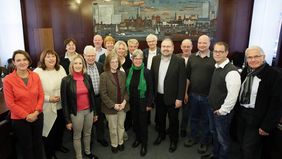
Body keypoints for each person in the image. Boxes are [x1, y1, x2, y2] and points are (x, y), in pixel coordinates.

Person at [236, 46, 282, 159]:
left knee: (249, 148)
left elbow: (276, 103)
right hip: (242, 115)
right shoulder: (246, 71)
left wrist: (267, 126)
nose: (253, 60)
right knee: (241, 143)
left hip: (258, 118)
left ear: (264, 57)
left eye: (256, 56)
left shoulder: (274, 75)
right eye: (249, 57)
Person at [202, 42, 241, 159]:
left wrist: (222, 111)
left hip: (221, 113)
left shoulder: (232, 72)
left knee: (223, 139)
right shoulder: (217, 66)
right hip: (213, 108)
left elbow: (232, 96)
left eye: (221, 51)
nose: (217, 54)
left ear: (226, 53)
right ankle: (216, 154)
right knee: (215, 134)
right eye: (215, 51)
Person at [3, 50, 44, 159]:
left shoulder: (35, 75)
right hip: (20, 119)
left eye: (24, 59)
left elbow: (41, 95)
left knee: (38, 144)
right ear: (14, 62)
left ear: (28, 61)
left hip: (38, 115)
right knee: (27, 147)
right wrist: (26, 116)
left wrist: (36, 112)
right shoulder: (8, 80)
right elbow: (10, 104)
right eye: (18, 60)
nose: (22, 62)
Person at [151, 38, 186, 153]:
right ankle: (161, 136)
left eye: (168, 46)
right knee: (160, 119)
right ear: (161, 48)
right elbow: (152, 78)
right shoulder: (155, 59)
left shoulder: (179, 61)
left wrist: (179, 98)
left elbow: (182, 81)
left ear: (172, 48)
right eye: (164, 46)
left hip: (173, 97)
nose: (166, 49)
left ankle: (174, 140)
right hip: (159, 96)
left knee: (173, 120)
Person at [61, 54, 98, 159]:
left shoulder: (87, 77)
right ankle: (79, 156)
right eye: (75, 63)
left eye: (80, 63)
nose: (78, 65)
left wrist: (94, 112)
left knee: (88, 133)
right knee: (77, 136)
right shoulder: (66, 80)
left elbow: (92, 96)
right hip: (76, 113)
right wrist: (67, 120)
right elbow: (65, 102)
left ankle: (87, 152)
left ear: (83, 65)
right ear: (72, 65)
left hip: (89, 111)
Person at [34, 49, 68, 159]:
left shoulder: (61, 68)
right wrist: (49, 98)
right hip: (47, 106)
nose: (51, 59)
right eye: (48, 56)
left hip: (61, 105)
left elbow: (66, 84)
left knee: (60, 128)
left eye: (53, 56)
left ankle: (58, 145)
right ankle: (50, 153)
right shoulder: (37, 72)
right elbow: (34, 93)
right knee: (49, 131)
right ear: (43, 59)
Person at [184, 35, 215, 155]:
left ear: (209, 44)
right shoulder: (192, 57)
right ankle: (193, 137)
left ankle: (204, 142)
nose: (201, 45)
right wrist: (185, 92)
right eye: (200, 43)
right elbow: (187, 77)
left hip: (208, 96)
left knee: (206, 121)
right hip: (193, 94)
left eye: (204, 43)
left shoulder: (214, 57)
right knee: (194, 118)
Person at [100, 53, 129, 153]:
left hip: (122, 106)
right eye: (112, 62)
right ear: (108, 63)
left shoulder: (123, 74)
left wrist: (124, 102)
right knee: (113, 128)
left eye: (116, 62)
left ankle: (120, 142)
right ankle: (114, 144)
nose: (115, 64)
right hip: (110, 107)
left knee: (121, 126)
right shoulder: (104, 75)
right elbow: (103, 94)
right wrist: (113, 105)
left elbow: (126, 90)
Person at [126, 49, 153, 156]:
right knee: (135, 122)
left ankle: (144, 144)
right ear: (132, 59)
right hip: (132, 102)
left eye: (140, 59)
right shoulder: (128, 71)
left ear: (143, 59)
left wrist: (149, 104)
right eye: (135, 58)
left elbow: (151, 89)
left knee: (143, 124)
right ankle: (138, 139)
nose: (137, 61)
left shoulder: (147, 72)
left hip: (143, 102)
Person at [83, 45, 109, 147]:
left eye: (92, 55)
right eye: (88, 56)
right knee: (88, 121)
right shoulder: (81, 67)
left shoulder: (100, 65)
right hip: (86, 99)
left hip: (99, 98)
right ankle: (89, 140)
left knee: (100, 119)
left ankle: (100, 137)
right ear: (84, 56)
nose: (90, 58)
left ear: (95, 55)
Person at [142, 33, 161, 127]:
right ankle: (147, 120)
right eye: (149, 41)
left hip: (158, 78)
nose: (151, 43)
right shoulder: (144, 52)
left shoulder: (161, 52)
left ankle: (158, 121)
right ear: (147, 42)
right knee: (147, 98)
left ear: (156, 41)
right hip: (146, 78)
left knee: (158, 100)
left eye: (153, 41)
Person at [176, 39, 193, 138]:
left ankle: (183, 128)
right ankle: (173, 127)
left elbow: (188, 77)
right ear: (181, 47)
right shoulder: (176, 57)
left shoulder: (195, 58)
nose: (186, 48)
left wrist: (185, 92)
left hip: (190, 89)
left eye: (188, 46)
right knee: (174, 111)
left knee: (186, 112)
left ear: (191, 47)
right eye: (184, 46)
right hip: (177, 89)